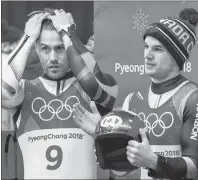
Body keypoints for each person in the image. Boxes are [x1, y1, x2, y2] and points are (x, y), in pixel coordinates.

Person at [72, 8, 198, 180]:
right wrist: (103, 135)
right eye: (146, 47)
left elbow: (194, 167)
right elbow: (123, 170)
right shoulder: (132, 100)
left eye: (158, 49)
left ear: (177, 56)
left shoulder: (191, 97)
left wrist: (153, 161)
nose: (148, 55)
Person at [2, 8, 118, 179]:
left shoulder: (95, 89)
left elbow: (95, 86)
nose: (53, 57)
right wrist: (27, 38)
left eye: (60, 48)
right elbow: (3, 91)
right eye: (45, 49)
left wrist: (69, 33)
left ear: (70, 46)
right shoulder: (25, 91)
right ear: (36, 49)